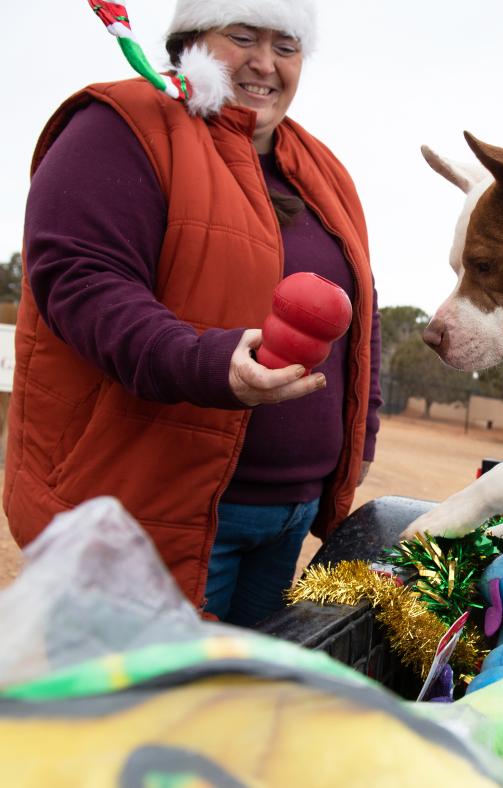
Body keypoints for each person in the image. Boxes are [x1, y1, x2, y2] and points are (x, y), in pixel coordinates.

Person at [5, 0, 382, 627]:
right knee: (141, 719)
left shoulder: (322, 168)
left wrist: (358, 435)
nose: (265, 63)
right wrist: (206, 363)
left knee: (228, 719)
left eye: (286, 46)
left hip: (286, 519)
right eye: (242, 36)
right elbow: (79, 281)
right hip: (153, 510)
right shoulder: (121, 125)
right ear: (189, 43)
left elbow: (360, 315)